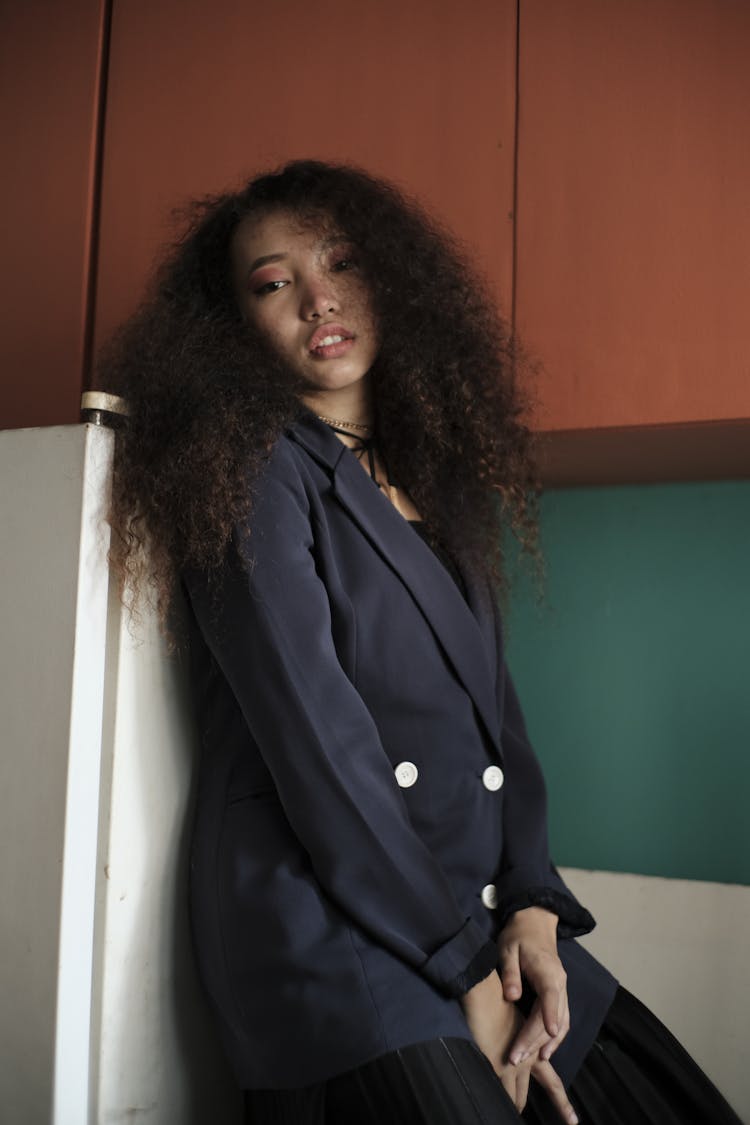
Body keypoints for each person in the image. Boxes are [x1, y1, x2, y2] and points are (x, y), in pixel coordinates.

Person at [105, 160, 741, 1124]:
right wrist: (465, 972)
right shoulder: (248, 466)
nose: (318, 297)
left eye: (342, 262)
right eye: (274, 282)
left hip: (477, 916)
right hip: (337, 934)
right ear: (234, 327)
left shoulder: (432, 482)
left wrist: (531, 904)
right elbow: (320, 750)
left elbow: (502, 728)